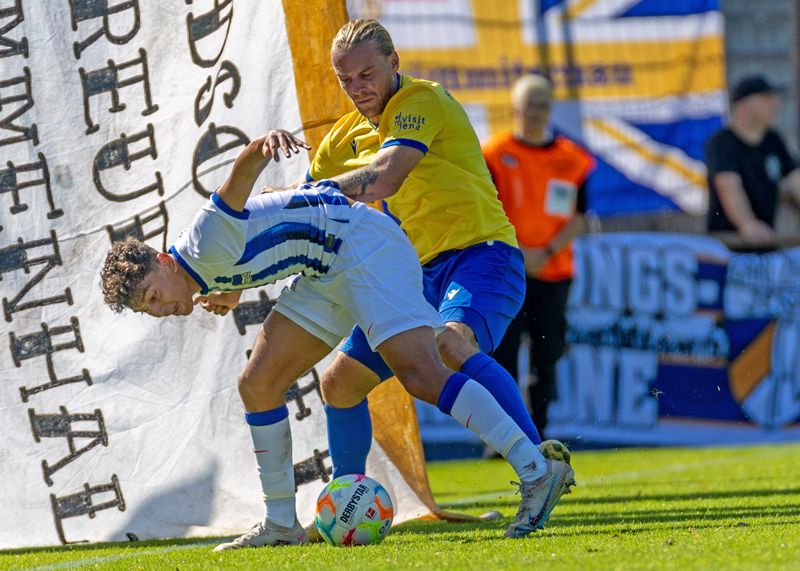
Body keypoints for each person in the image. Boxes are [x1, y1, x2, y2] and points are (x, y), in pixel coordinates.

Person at [100, 131, 574, 549]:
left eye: (155, 296)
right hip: (324, 269)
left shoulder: (202, 239)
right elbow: (251, 241)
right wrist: (230, 290)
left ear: (163, 261)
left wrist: (263, 146)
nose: (163, 309)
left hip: (363, 246)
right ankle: (281, 523)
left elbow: (237, 188)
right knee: (259, 385)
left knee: (424, 373)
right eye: (151, 309)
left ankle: (535, 469)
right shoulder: (198, 267)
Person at [264, 21, 574, 537]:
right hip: (413, 274)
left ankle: (537, 468)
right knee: (339, 382)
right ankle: (348, 502)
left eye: (367, 73)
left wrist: (298, 196)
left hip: (483, 254)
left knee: (452, 344)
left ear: (394, 63)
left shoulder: (421, 101)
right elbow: (306, 214)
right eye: (346, 79)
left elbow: (385, 176)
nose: (358, 86)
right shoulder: (340, 139)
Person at [482, 74, 593, 438]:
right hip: (506, 270)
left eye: (543, 105)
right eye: (529, 104)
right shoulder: (494, 155)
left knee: (548, 354)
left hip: (554, 269)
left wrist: (544, 252)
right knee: (503, 354)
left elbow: (579, 217)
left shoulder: (572, 160)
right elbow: (486, 212)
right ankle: (503, 436)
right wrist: (520, 253)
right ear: (514, 108)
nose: (535, 112)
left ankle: (538, 431)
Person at [706, 75, 800, 246]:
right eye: (766, 98)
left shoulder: (773, 140)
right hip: (729, 248)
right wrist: (747, 224)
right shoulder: (722, 142)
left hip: (765, 246)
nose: (776, 103)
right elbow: (728, 185)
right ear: (743, 104)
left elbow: (796, 180)